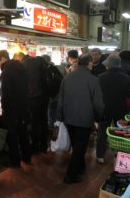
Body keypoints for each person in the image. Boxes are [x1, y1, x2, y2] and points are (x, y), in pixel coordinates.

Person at [57, 54, 104, 184]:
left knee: (76, 145)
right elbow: (98, 103)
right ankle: (70, 176)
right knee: (79, 148)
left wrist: (60, 116)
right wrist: (99, 117)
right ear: (89, 64)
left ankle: (80, 168)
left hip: (69, 118)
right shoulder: (93, 80)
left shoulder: (68, 78)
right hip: (84, 118)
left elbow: (61, 99)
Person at [0, 50, 31, 167]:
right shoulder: (22, 68)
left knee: (12, 135)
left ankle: (15, 162)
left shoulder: (6, 72)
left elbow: (5, 93)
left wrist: (4, 107)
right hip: (24, 106)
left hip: (11, 109)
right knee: (23, 133)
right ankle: (27, 157)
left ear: (2, 59)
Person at [97, 54, 130, 164]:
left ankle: (100, 156)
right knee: (120, 130)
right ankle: (119, 153)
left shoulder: (100, 77)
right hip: (120, 109)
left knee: (102, 132)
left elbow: (97, 94)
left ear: (108, 65)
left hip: (105, 109)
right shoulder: (126, 78)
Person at [22, 55, 50, 154]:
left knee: (34, 123)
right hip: (44, 97)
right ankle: (44, 146)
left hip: (32, 98)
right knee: (44, 121)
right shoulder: (42, 62)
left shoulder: (24, 65)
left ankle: (35, 146)